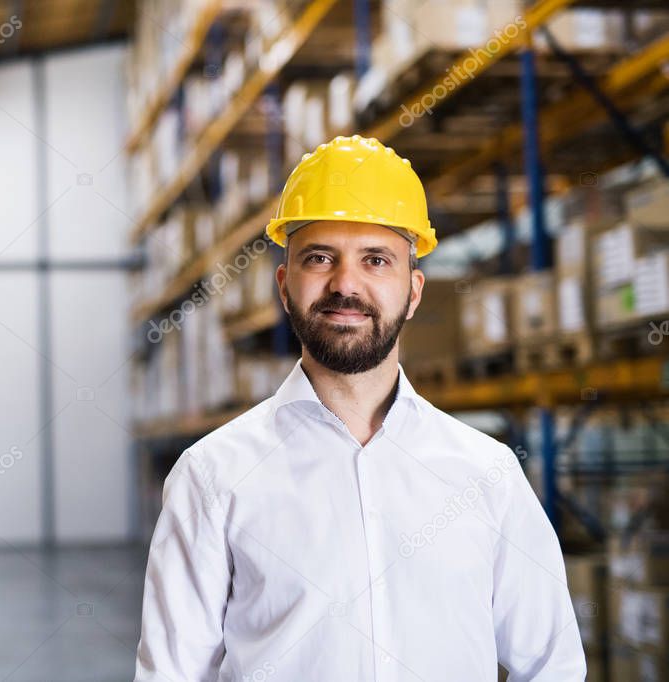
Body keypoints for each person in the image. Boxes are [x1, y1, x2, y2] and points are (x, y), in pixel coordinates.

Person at [133, 135, 585, 681]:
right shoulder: (212, 477)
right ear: (284, 285)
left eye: (376, 260)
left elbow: (551, 665)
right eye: (320, 258)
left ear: (414, 291)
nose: (345, 284)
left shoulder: (487, 475)